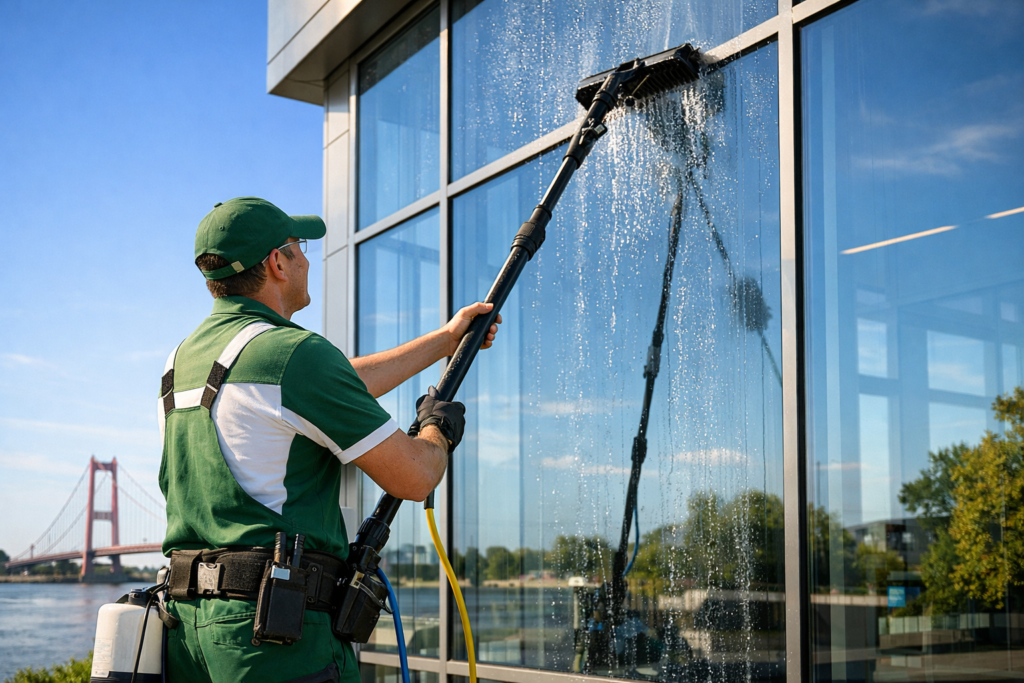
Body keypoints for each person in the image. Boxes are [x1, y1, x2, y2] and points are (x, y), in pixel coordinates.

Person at [158, 197, 500, 682]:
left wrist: (447, 340)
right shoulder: (294, 355)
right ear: (277, 262)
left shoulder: (183, 363)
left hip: (189, 637)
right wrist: (436, 427)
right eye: (298, 247)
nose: (305, 258)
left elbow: (327, 388)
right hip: (276, 645)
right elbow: (417, 477)